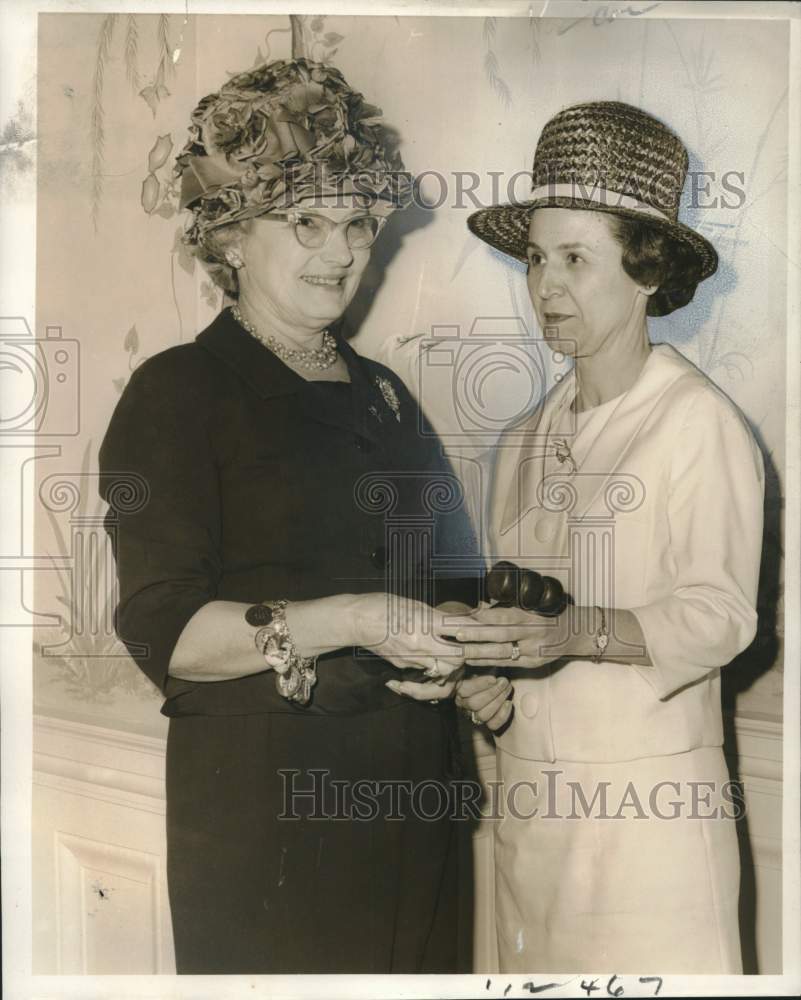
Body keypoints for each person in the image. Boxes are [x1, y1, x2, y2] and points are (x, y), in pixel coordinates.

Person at [99, 58, 478, 975]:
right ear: (229, 235)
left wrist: (466, 664)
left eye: (356, 223)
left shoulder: (383, 396)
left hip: (415, 797)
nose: (340, 251)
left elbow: (448, 580)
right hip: (267, 812)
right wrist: (347, 620)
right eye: (304, 221)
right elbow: (169, 630)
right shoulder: (180, 392)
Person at [449, 101, 764, 972]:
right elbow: (521, 622)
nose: (546, 287)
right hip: (529, 826)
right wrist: (487, 679)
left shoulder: (695, 425)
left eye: (576, 260)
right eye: (535, 260)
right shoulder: (519, 441)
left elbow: (718, 617)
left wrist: (570, 632)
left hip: (646, 841)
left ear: (645, 271)